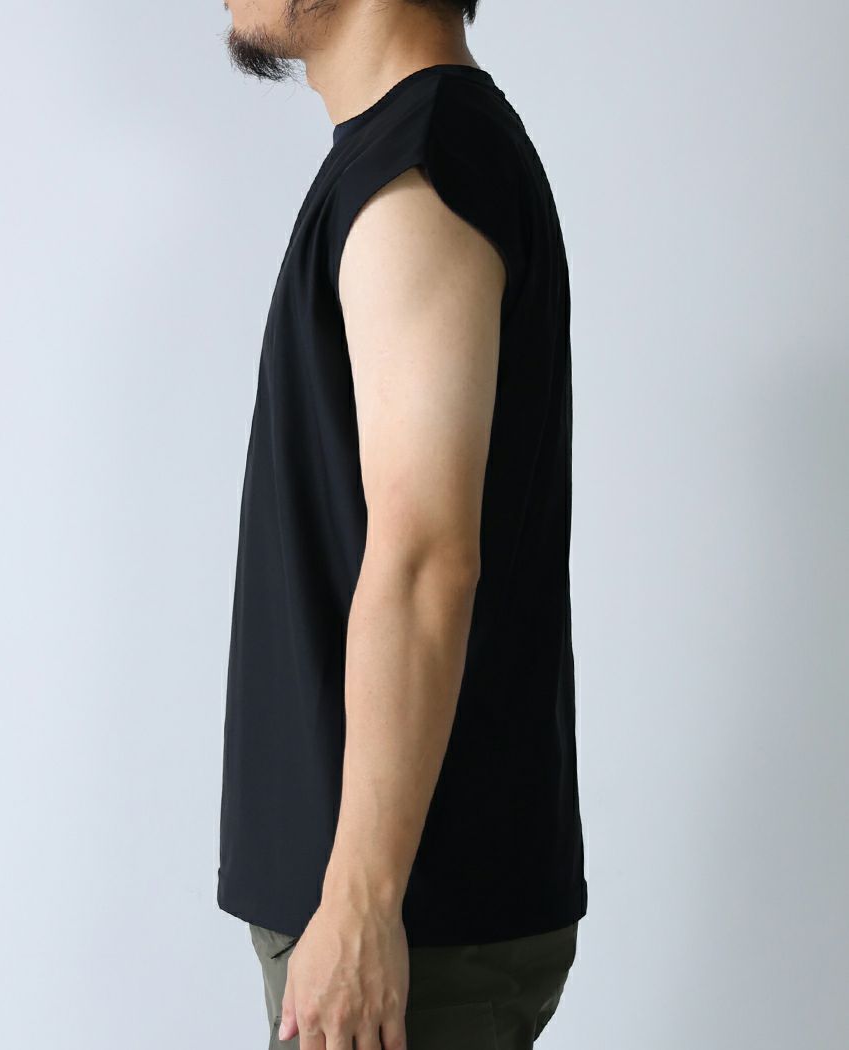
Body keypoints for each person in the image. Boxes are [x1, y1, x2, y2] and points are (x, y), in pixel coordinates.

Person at [217, 2, 588, 1046]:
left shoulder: (419, 171)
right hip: (393, 909)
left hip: (404, 920)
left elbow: (427, 560)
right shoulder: (401, 157)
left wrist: (363, 900)